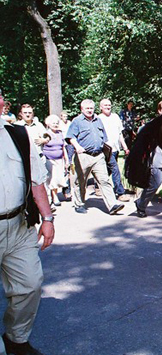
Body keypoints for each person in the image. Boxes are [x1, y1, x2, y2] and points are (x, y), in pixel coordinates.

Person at [0, 89, 55, 355]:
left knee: (30, 285)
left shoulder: (18, 135)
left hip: (19, 227)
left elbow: (37, 181)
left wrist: (47, 218)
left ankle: (16, 338)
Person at [65, 99, 124, 215]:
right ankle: (79, 204)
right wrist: (77, 147)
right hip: (83, 156)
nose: (89, 110)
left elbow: (104, 137)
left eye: (91, 108)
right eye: (87, 108)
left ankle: (112, 205)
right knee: (80, 182)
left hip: (98, 156)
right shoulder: (77, 121)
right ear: (82, 109)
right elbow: (70, 137)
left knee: (104, 180)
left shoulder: (98, 121)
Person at [134, 100, 162, 219]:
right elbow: (142, 133)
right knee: (153, 186)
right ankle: (141, 205)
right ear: (159, 111)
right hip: (157, 161)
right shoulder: (153, 124)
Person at [98, 98, 130, 202]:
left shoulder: (116, 117)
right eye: (105, 105)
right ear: (101, 107)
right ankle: (120, 192)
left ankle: (98, 185)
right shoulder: (98, 119)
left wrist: (125, 147)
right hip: (106, 149)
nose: (108, 107)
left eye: (109, 105)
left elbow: (120, 134)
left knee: (108, 170)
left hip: (116, 148)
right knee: (115, 169)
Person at [42, 114, 68, 207]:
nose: (55, 124)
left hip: (59, 159)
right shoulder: (45, 133)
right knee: (50, 179)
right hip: (49, 159)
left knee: (57, 179)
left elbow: (63, 147)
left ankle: (54, 195)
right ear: (48, 124)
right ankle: (51, 198)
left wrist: (67, 160)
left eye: (57, 123)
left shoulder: (60, 133)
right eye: (53, 123)